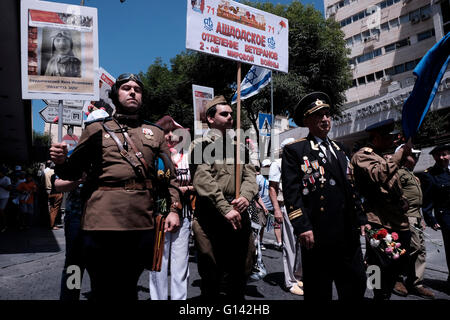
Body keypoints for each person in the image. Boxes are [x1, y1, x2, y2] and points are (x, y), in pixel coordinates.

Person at [50, 73, 181, 301]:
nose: (132, 92)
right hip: (102, 222)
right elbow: (72, 172)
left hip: (140, 221)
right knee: (102, 288)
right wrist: (61, 161)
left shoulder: (156, 133)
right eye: (126, 88)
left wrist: (174, 209)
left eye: (137, 89)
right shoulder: (96, 130)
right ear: (115, 95)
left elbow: (169, 176)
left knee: (129, 286)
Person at [282, 92, 368, 301]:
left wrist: (361, 219)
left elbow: (351, 187)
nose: (325, 119)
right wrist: (302, 226)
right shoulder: (295, 150)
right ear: (306, 121)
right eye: (318, 115)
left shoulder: (340, 149)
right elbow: (291, 193)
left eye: (327, 114)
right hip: (317, 233)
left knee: (355, 284)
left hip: (347, 232)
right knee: (319, 289)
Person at [189, 95, 258, 300]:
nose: (230, 117)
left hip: (239, 213)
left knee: (240, 272)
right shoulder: (199, 144)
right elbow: (203, 179)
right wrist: (225, 208)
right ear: (210, 118)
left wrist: (246, 197)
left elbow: (251, 176)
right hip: (211, 216)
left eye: (231, 113)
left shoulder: (240, 148)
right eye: (224, 113)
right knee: (212, 275)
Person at [351, 118, 412, 300]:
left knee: (397, 262)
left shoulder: (383, 157)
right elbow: (378, 174)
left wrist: (402, 200)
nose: (393, 140)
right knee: (377, 263)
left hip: (397, 220)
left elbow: (391, 185)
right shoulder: (363, 155)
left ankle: (384, 292)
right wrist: (401, 153)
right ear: (376, 137)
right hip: (377, 220)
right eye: (388, 136)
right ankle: (377, 294)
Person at [149, 115, 193, 300]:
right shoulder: (151, 156)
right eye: (164, 132)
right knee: (158, 262)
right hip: (157, 214)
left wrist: (187, 188)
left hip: (183, 214)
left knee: (180, 263)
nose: (169, 136)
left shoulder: (189, 157)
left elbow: (201, 182)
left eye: (172, 132)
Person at [395, 145, 435, 299]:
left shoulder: (413, 175)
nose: (416, 158)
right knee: (411, 248)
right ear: (404, 157)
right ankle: (397, 278)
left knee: (421, 250)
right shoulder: (399, 173)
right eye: (413, 155)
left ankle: (416, 283)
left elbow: (416, 201)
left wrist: (420, 218)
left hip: (415, 216)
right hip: (406, 216)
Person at [269, 138, 304, 296]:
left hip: (301, 206)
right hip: (286, 206)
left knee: (302, 243)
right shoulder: (277, 164)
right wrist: (276, 210)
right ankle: (289, 281)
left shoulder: (299, 163)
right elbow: (273, 189)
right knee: (289, 245)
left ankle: (297, 275)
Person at [420, 144, 450, 290]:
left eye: (445, 154)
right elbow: (427, 200)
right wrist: (430, 219)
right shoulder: (430, 174)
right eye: (439, 155)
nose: (442, 158)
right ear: (434, 157)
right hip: (447, 218)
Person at [55, 175, 86, 301]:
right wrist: (79, 179)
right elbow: (58, 185)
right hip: (76, 215)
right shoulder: (72, 157)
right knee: (74, 265)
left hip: (105, 219)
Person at [256, 159, 272, 250]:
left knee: (263, 226)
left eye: (269, 167)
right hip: (260, 205)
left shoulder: (271, 177)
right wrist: (257, 204)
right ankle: (257, 242)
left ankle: (260, 241)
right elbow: (255, 192)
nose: (268, 168)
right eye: (266, 167)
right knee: (259, 225)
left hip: (269, 206)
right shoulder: (259, 178)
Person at [44, 161, 63, 230]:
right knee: (55, 210)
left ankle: (50, 223)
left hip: (52, 193)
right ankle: (52, 225)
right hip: (57, 193)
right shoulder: (59, 176)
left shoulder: (52, 175)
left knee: (52, 209)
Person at [0, 166, 12, 232]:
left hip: (4, 197)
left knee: (1, 211)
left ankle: (4, 225)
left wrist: (1, 185)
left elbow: (9, 188)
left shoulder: (7, 179)